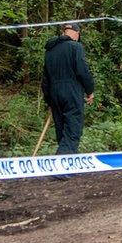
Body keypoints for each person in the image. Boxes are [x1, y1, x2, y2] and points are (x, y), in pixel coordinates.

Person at [42, 23, 95, 161]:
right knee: (73, 129)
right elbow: (83, 71)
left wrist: (48, 99)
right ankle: (61, 163)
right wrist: (90, 91)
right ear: (76, 33)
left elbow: (45, 78)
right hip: (71, 92)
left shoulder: (50, 50)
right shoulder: (75, 47)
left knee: (61, 130)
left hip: (54, 93)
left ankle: (70, 164)